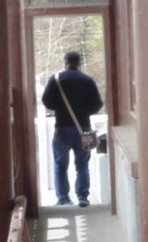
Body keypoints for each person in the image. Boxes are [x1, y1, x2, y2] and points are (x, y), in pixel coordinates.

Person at [41, 50, 103, 207]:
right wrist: (84, 111)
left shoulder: (56, 79)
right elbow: (97, 105)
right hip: (84, 128)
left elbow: (46, 101)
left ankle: (63, 199)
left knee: (60, 164)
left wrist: (59, 108)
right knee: (82, 164)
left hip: (62, 127)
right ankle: (82, 196)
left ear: (65, 62)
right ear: (79, 63)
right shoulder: (88, 80)